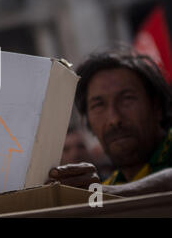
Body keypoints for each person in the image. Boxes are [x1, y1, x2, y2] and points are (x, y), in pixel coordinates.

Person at [47, 49, 172, 197]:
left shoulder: (105, 192)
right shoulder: (104, 189)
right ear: (88, 122)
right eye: (98, 105)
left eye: (127, 99)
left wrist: (109, 193)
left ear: (156, 107)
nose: (114, 119)